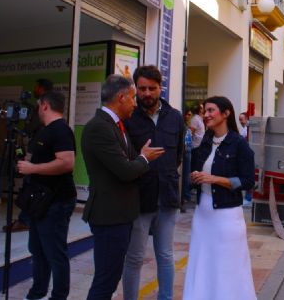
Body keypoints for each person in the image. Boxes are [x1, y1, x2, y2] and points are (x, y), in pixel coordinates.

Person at [81, 74, 164, 299]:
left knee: (110, 277)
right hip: (109, 216)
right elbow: (125, 170)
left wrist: (139, 158)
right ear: (121, 97)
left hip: (121, 215)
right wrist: (144, 158)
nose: (136, 103)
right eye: (133, 98)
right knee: (105, 281)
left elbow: (127, 163)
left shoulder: (117, 125)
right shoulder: (99, 127)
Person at [183, 96, 256, 300]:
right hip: (202, 214)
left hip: (227, 216)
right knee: (203, 262)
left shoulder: (239, 144)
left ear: (226, 113)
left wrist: (216, 179)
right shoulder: (205, 141)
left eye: (211, 110)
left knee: (227, 266)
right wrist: (195, 177)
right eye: (205, 111)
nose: (206, 115)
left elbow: (248, 181)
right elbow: (199, 172)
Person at [122, 66, 185, 300]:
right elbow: (125, 158)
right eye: (142, 88)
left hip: (167, 198)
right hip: (139, 198)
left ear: (161, 88)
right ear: (135, 89)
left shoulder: (175, 117)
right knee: (135, 257)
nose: (147, 93)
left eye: (152, 88)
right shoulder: (128, 118)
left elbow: (178, 154)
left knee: (166, 255)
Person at [16, 90, 76, 300]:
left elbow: (67, 163)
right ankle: (37, 292)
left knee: (54, 252)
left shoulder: (61, 130)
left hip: (56, 202)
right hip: (39, 202)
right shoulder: (44, 130)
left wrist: (32, 169)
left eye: (38, 105)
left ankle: (58, 296)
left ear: (45, 105)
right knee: (38, 250)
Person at [5, 78, 54, 233]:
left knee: (31, 183)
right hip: (41, 146)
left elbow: (32, 127)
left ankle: (24, 219)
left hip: (38, 147)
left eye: (36, 87)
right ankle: (26, 218)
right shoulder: (51, 103)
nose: (34, 89)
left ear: (41, 89)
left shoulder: (43, 105)